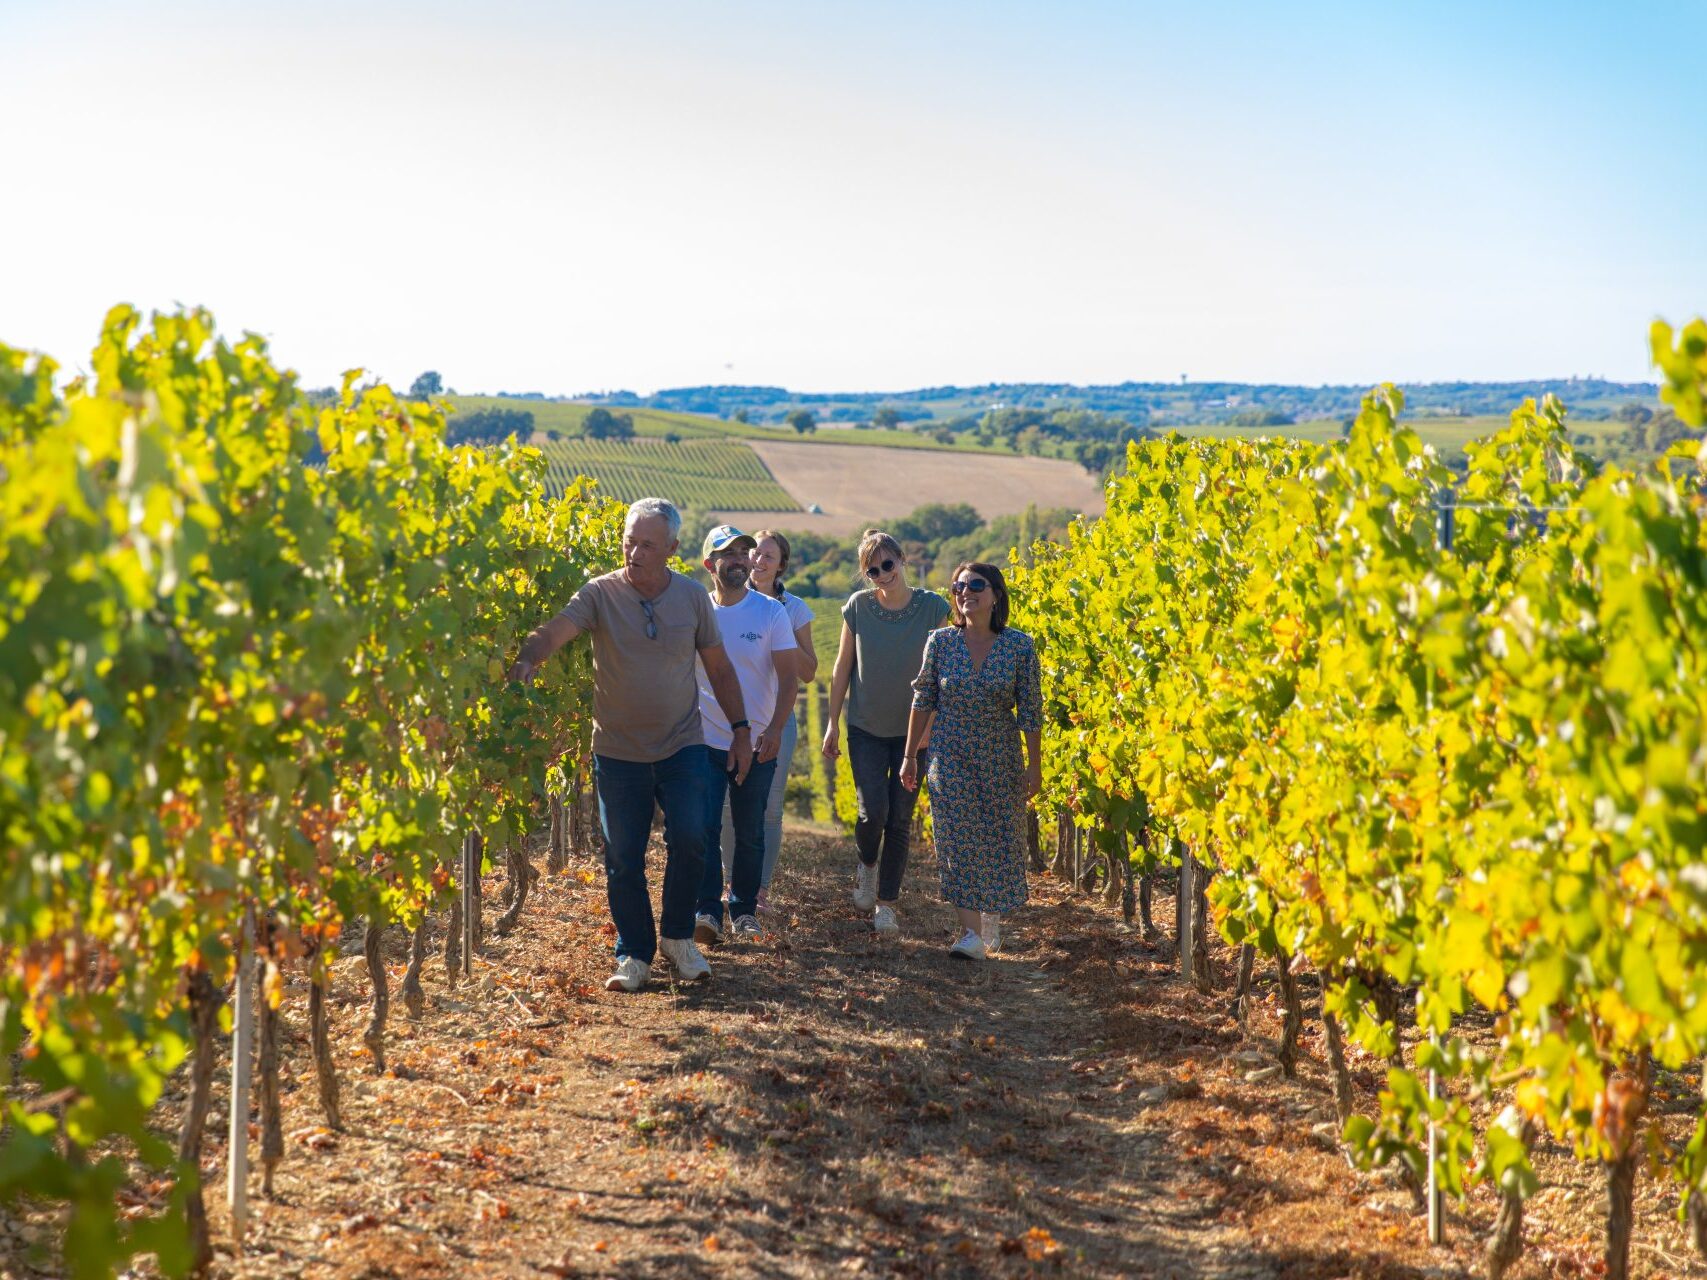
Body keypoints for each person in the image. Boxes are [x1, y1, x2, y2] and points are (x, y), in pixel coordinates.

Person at [508, 497, 752, 992]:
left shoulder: (690, 599)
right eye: (629, 541)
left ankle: (679, 939)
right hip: (617, 752)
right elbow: (556, 630)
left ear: (672, 548)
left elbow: (720, 669)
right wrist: (529, 656)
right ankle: (634, 954)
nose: (634, 552)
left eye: (646, 544)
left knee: (690, 838)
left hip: (682, 745)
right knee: (623, 856)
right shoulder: (599, 594)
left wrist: (742, 729)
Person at [900, 561, 1042, 961]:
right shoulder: (940, 642)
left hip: (1000, 756)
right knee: (956, 839)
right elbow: (923, 698)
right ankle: (970, 933)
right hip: (950, 754)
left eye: (976, 585)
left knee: (999, 837)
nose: (966, 592)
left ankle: (990, 915)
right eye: (959, 586)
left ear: (996, 594)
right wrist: (910, 755)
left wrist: (1035, 765)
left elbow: (1031, 711)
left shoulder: (1019, 646)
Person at [821, 530, 951, 935]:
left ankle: (887, 903)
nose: (882, 574)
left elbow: (943, 674)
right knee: (872, 811)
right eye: (872, 569)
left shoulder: (934, 609)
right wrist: (831, 724)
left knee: (900, 819)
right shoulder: (858, 608)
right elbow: (842, 667)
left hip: (915, 734)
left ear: (902, 560)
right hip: (866, 729)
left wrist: (929, 729)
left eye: (887, 565)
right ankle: (867, 863)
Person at [693, 526, 799, 945]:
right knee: (703, 827)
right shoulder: (697, 612)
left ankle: (743, 910)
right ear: (709, 565)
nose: (740, 559)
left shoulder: (771, 612)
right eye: (729, 553)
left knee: (750, 827)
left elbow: (790, 679)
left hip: (757, 742)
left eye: (744, 551)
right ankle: (706, 911)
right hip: (703, 739)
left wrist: (773, 730)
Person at [720, 529, 818, 914]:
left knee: (770, 807)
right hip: (727, 718)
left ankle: (759, 891)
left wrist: (780, 629)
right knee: (729, 803)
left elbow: (809, 672)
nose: (758, 560)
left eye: (768, 556)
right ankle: (731, 886)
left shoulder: (794, 609)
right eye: (755, 553)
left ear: (780, 566)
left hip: (776, 717)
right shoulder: (726, 600)